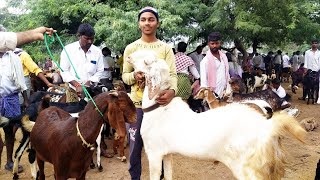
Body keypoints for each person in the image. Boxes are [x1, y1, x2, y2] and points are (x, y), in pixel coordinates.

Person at [122, 6, 177, 180]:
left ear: (157, 23)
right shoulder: (131, 48)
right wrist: (134, 75)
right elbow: (124, 76)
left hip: (160, 107)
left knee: (161, 147)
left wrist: (172, 92)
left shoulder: (166, 48)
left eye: (151, 19)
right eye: (143, 19)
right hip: (137, 107)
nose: (147, 23)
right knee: (135, 148)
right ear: (139, 23)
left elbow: (173, 75)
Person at [0, 48, 28, 173]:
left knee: (9, 131)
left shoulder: (13, 58)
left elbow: (21, 79)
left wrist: (26, 99)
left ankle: (9, 162)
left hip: (11, 98)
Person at [60, 23, 104, 97]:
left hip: (91, 91)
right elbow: (64, 70)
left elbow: (100, 71)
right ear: (79, 36)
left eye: (92, 39)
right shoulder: (68, 50)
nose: (90, 41)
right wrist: (76, 85)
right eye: (87, 39)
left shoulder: (97, 51)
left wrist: (89, 83)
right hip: (73, 91)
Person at [200, 32, 231, 99]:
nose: (215, 46)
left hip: (224, 92)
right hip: (212, 94)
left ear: (220, 43)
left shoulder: (224, 57)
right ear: (208, 44)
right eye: (212, 44)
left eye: (217, 43)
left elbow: (227, 74)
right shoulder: (205, 61)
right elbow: (203, 82)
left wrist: (228, 89)